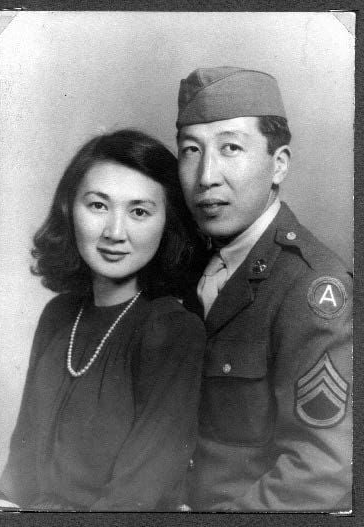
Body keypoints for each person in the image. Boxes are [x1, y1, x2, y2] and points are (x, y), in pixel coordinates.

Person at [0, 129, 206, 511]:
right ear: (68, 208)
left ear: (167, 225)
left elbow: (136, 497)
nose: (114, 232)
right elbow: (19, 474)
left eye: (139, 212)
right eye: (98, 206)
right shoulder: (58, 315)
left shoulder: (174, 331)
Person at [176, 67, 352, 511]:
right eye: (190, 151)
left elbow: (322, 470)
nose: (206, 176)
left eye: (230, 148)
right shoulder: (188, 260)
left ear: (278, 164)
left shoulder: (309, 286)